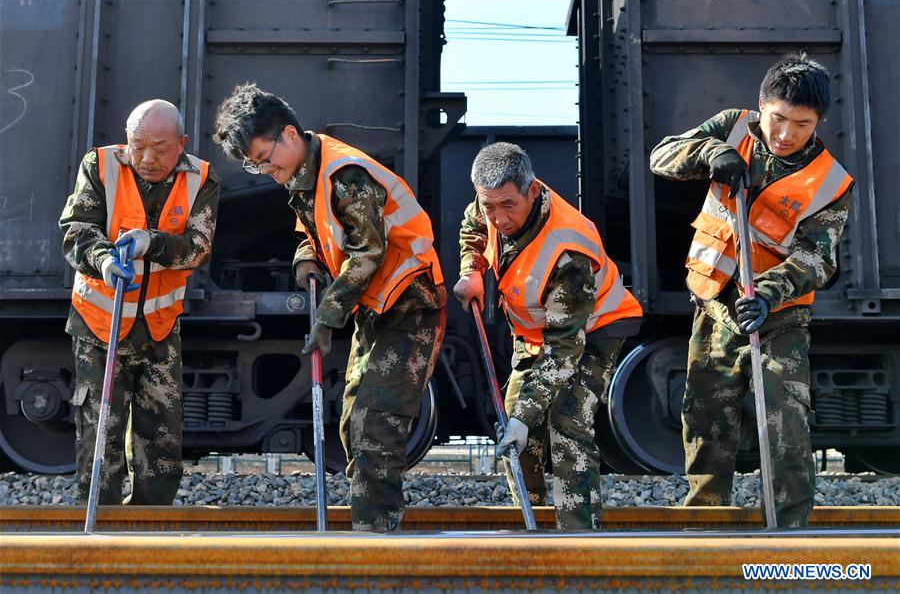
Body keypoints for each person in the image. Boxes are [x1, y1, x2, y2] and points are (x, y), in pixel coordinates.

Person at [212, 84, 446, 532]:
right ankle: (371, 530)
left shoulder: (345, 174)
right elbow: (314, 233)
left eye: (264, 158)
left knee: (375, 428)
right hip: (378, 312)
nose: (263, 171)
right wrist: (306, 261)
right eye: (253, 164)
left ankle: (376, 540)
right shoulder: (305, 173)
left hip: (411, 309)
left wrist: (327, 317)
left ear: (288, 135)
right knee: (352, 423)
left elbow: (366, 253)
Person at [649, 53, 853, 527]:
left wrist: (766, 294)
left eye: (801, 125)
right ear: (762, 105)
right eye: (778, 119)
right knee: (705, 421)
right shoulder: (733, 128)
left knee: (784, 424)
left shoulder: (830, 183)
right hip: (714, 307)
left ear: (818, 122)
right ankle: (706, 527)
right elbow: (662, 156)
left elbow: (817, 258)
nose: (785, 134)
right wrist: (710, 153)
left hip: (777, 317)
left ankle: (788, 533)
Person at [454, 142, 642, 529]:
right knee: (515, 436)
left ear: (533, 191)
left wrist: (526, 415)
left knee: (566, 422)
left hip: (594, 331)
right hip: (538, 332)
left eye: (509, 205)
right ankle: (534, 526)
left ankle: (578, 538)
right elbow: (473, 226)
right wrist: (472, 270)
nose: (499, 218)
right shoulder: (487, 206)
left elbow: (565, 351)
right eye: (490, 206)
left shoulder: (568, 253)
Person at [59, 99, 220, 505]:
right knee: (99, 436)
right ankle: (100, 532)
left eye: (160, 148)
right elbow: (76, 231)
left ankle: (153, 529)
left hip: (160, 330)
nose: (147, 158)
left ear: (181, 143)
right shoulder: (100, 166)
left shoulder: (200, 179)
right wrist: (104, 259)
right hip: (99, 326)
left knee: (162, 438)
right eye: (137, 145)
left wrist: (154, 243)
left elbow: (198, 249)